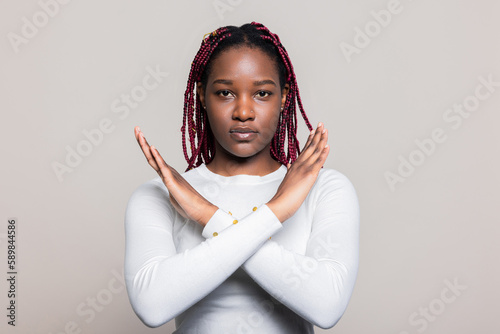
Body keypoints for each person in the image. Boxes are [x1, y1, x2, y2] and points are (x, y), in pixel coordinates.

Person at [124, 22, 359, 334]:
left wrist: (207, 216)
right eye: (225, 93)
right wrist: (276, 211)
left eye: (262, 93)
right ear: (203, 96)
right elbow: (152, 307)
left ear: (284, 97)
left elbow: (326, 306)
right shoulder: (161, 194)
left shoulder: (324, 189)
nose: (244, 112)